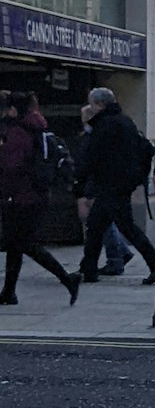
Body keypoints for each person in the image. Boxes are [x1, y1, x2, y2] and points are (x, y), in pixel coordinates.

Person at [0, 91, 81, 305]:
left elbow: (10, 167)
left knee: (25, 243)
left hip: (20, 196)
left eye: (7, 108)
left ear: (14, 110)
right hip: (36, 195)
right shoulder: (36, 126)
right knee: (15, 245)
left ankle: (68, 279)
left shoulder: (17, 132)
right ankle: (8, 292)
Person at [76, 87, 155, 284]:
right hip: (119, 184)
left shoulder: (106, 125)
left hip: (111, 185)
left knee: (126, 228)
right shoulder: (124, 121)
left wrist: (81, 181)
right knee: (96, 227)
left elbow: (93, 156)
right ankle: (88, 270)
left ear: (100, 104)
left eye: (93, 104)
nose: (91, 108)